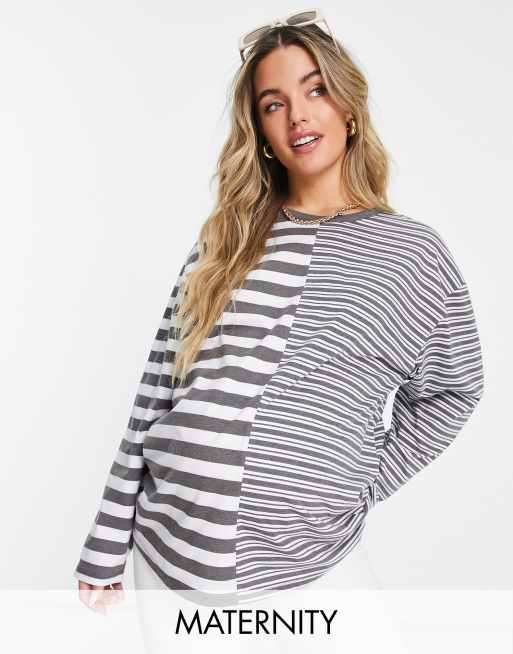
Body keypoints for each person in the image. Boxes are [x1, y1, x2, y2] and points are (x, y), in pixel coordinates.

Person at [74, 9, 484, 650]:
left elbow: (454, 390)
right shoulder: (225, 242)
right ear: (260, 132)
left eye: (316, 90)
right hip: (168, 551)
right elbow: (156, 391)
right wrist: (105, 541)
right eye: (274, 103)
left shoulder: (411, 254)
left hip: (307, 560)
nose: (297, 115)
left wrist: (362, 483)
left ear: (349, 107)